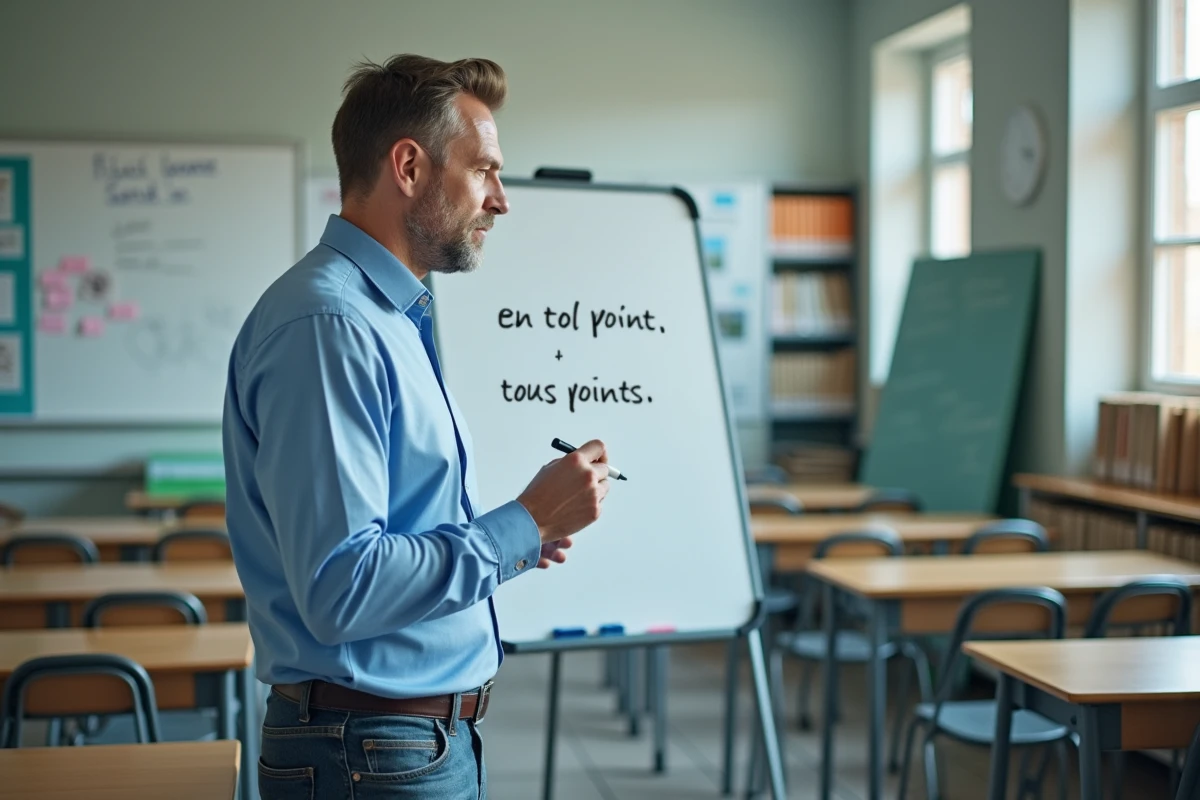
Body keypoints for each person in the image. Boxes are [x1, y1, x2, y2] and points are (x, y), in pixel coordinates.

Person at [222, 54, 611, 799]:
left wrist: (525, 537)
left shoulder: (388, 317)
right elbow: (342, 586)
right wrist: (521, 524)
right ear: (409, 167)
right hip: (370, 747)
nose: (500, 200)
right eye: (484, 171)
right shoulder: (330, 326)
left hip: (400, 741)